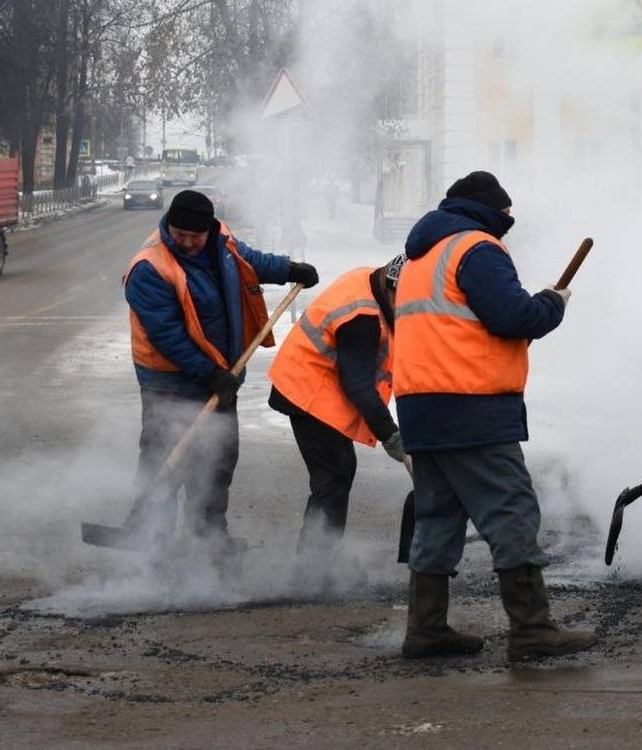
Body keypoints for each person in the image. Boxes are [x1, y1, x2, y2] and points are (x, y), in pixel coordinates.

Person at [393, 170, 596, 660]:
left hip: (421, 407)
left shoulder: (420, 255)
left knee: (437, 517)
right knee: (511, 511)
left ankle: (426, 630)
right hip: (471, 406)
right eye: (507, 215)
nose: (508, 223)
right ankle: (531, 630)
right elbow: (514, 319)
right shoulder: (477, 249)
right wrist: (553, 301)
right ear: (493, 211)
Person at [122, 189, 319, 552]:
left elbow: (247, 261)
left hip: (222, 375)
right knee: (166, 460)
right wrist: (209, 373)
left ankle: (208, 537)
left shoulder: (220, 240)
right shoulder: (150, 267)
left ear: (208, 231)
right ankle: (151, 545)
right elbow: (169, 336)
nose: (184, 243)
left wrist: (289, 269)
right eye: (178, 234)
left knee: (218, 460)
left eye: (193, 237)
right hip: (171, 383)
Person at [266, 254, 409, 576]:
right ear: (390, 286)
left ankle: (318, 560)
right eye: (403, 300)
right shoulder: (362, 316)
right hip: (308, 393)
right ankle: (314, 569)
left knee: (337, 474)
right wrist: (390, 435)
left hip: (317, 388)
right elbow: (358, 383)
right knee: (333, 477)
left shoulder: (369, 279)